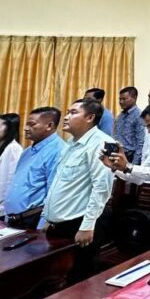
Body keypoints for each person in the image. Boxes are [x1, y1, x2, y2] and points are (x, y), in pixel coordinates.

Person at [41, 100, 115, 278]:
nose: (66, 117)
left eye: (73, 113)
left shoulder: (102, 143)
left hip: (80, 223)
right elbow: (59, 183)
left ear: (89, 117)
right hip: (61, 223)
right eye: (67, 112)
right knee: (56, 274)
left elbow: (101, 188)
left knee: (80, 277)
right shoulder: (71, 144)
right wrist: (48, 216)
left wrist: (87, 226)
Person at [3, 107, 65, 228]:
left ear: (49, 126)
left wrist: (43, 225)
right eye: (26, 124)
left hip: (33, 220)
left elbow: (54, 193)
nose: (26, 128)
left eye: (32, 124)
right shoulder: (27, 152)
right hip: (14, 218)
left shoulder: (59, 151)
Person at [114, 86, 144, 164]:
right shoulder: (120, 116)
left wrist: (134, 165)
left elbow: (140, 142)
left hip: (130, 157)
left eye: (124, 99)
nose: (121, 102)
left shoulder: (139, 116)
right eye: (120, 99)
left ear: (135, 98)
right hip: (118, 154)